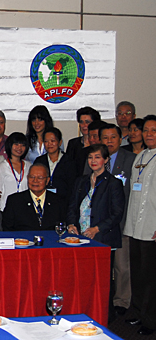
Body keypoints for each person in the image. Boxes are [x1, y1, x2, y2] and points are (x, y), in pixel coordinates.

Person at [67, 144, 125, 322]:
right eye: (90, 157)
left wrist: (97, 229)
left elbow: (117, 214)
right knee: (83, 278)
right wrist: (71, 223)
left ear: (106, 160)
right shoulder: (81, 181)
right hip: (81, 238)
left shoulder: (113, 183)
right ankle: (84, 312)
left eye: (97, 157)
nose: (93, 161)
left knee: (102, 280)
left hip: (102, 237)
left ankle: (105, 316)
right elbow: (72, 206)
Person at [94, 125, 135, 316]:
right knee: (101, 267)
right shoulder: (94, 158)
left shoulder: (131, 159)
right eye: (105, 137)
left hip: (122, 220)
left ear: (121, 139)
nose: (109, 141)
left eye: (113, 137)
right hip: (97, 224)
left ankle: (122, 301)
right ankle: (102, 300)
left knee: (121, 266)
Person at [123, 115, 156, 335]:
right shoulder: (140, 156)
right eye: (146, 130)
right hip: (135, 225)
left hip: (152, 226)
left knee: (151, 276)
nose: (149, 134)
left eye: (154, 130)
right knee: (137, 273)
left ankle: (150, 320)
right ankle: (137, 311)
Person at [2, 163, 64, 231]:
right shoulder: (15, 201)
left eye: (40, 178)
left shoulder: (58, 201)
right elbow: (7, 228)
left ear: (47, 180)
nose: (35, 181)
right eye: (32, 177)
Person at [33, 127, 78, 212]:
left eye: (52, 141)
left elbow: (72, 187)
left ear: (60, 142)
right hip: (42, 204)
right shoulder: (39, 161)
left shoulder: (69, 161)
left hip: (63, 204)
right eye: (46, 141)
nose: (49, 144)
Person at [0, 132, 32, 211]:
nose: (19, 148)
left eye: (23, 145)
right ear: (10, 145)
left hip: (26, 209)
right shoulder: (1, 167)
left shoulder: (29, 166)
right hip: (6, 209)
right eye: (16, 144)